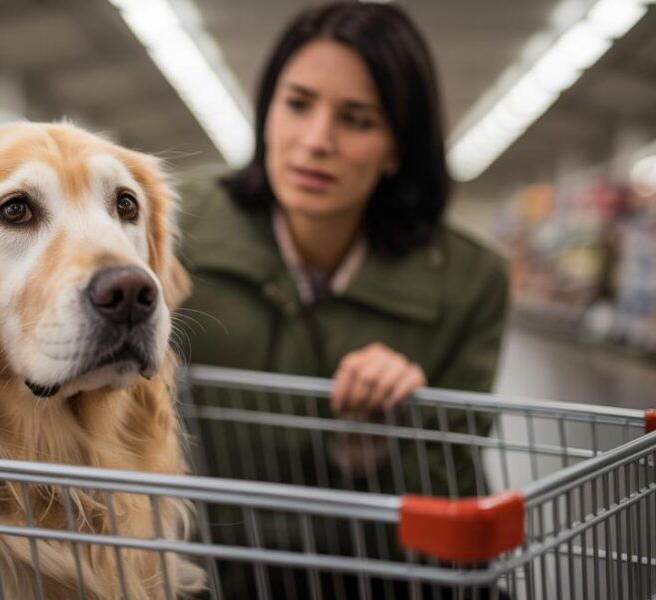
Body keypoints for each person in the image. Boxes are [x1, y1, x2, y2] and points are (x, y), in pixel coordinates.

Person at [174, 2, 510, 595]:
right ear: (267, 109)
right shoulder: (172, 225)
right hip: (204, 573)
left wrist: (377, 449)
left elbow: (454, 488)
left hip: (372, 578)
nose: (316, 140)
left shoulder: (470, 281)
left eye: (356, 119)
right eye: (297, 104)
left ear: (397, 149)